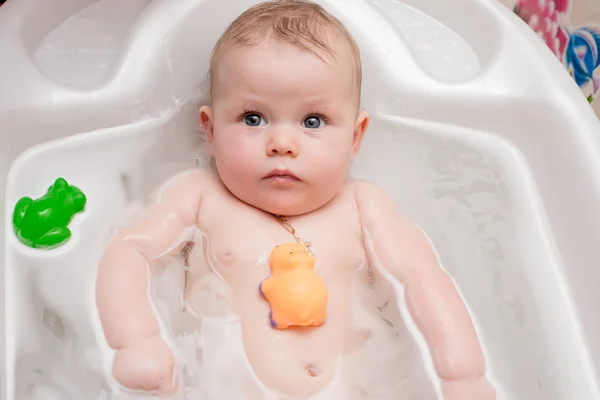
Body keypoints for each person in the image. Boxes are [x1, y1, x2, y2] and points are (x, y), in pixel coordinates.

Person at [95, 1, 496, 398]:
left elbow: (422, 278)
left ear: (355, 138)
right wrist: (136, 340)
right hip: (224, 386)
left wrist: (461, 373)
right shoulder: (200, 196)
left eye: (312, 121)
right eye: (253, 118)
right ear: (210, 129)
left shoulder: (362, 206)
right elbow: (129, 250)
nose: (282, 144)